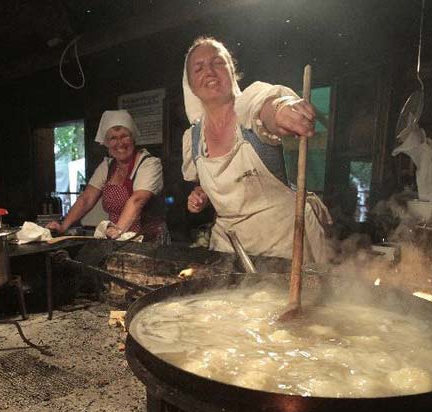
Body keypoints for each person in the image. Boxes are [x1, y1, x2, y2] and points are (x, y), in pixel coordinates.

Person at [182, 37, 331, 261]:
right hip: (232, 247)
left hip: (288, 243)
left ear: (232, 71)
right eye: (199, 67)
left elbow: (268, 107)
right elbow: (224, 187)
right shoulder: (193, 138)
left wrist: (282, 110)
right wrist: (203, 194)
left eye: (217, 63)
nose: (209, 71)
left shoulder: (249, 107)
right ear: (191, 85)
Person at [46, 110, 168, 242]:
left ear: (133, 138)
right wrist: (63, 226)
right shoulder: (107, 166)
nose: (120, 143)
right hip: (117, 239)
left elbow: (137, 200)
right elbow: (86, 199)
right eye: (113, 138)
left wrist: (117, 230)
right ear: (107, 144)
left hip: (149, 240)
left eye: (124, 136)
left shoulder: (149, 164)